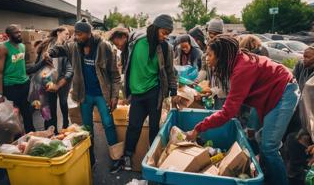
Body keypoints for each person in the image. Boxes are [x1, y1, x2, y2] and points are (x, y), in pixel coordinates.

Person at [185, 35, 300, 185]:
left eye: (210, 55)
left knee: (269, 146)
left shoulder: (241, 69)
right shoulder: (234, 62)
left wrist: (198, 128)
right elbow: (234, 94)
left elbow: (228, 112)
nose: (207, 58)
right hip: (271, 92)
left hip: (284, 91)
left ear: (221, 55)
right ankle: (268, 175)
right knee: (259, 137)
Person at [45, 19, 121, 173]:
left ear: (88, 33)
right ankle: (90, 158)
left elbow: (115, 75)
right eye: (75, 34)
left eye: (79, 34)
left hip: (102, 95)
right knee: (86, 128)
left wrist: (114, 96)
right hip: (84, 94)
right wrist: (50, 52)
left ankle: (116, 158)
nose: (76, 37)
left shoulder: (104, 47)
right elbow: (61, 49)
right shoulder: (74, 46)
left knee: (108, 124)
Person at [121, 14, 180, 171]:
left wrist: (173, 90)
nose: (165, 36)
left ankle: (152, 158)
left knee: (154, 127)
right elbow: (124, 59)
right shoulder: (135, 41)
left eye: (168, 34)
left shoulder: (166, 48)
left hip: (154, 93)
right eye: (163, 32)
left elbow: (169, 70)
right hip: (137, 94)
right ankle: (127, 155)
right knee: (134, 126)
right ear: (155, 28)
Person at [30, 27, 73, 133]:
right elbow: (40, 67)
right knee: (48, 110)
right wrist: (47, 83)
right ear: (58, 33)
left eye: (68, 35)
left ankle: (61, 126)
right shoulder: (47, 47)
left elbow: (69, 69)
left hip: (60, 81)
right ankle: (50, 132)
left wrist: (58, 84)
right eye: (65, 34)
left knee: (61, 103)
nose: (67, 36)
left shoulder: (66, 48)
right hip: (47, 82)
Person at [0, 24, 35, 133]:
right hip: (11, 86)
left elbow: (22, 65)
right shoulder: (3, 48)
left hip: (24, 84)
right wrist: (0, 94)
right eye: (16, 33)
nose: (19, 34)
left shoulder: (22, 46)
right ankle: (17, 140)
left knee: (27, 113)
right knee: (14, 116)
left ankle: (31, 135)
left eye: (19, 32)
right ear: (9, 35)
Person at [284, 46, 314, 184]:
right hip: (302, 114)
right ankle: (295, 176)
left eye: (308, 57)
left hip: (308, 117)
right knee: (292, 141)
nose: (304, 59)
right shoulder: (301, 67)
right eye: (304, 56)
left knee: (295, 142)